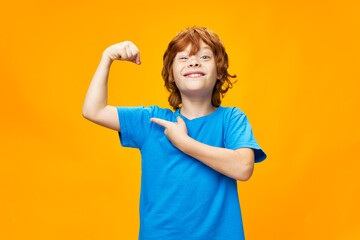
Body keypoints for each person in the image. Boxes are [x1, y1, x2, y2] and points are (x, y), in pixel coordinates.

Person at [82, 26, 267, 240]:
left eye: (204, 56)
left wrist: (185, 143)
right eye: (184, 58)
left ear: (220, 72)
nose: (194, 62)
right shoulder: (151, 121)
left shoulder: (231, 119)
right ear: (171, 74)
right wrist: (107, 57)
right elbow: (93, 110)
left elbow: (243, 167)